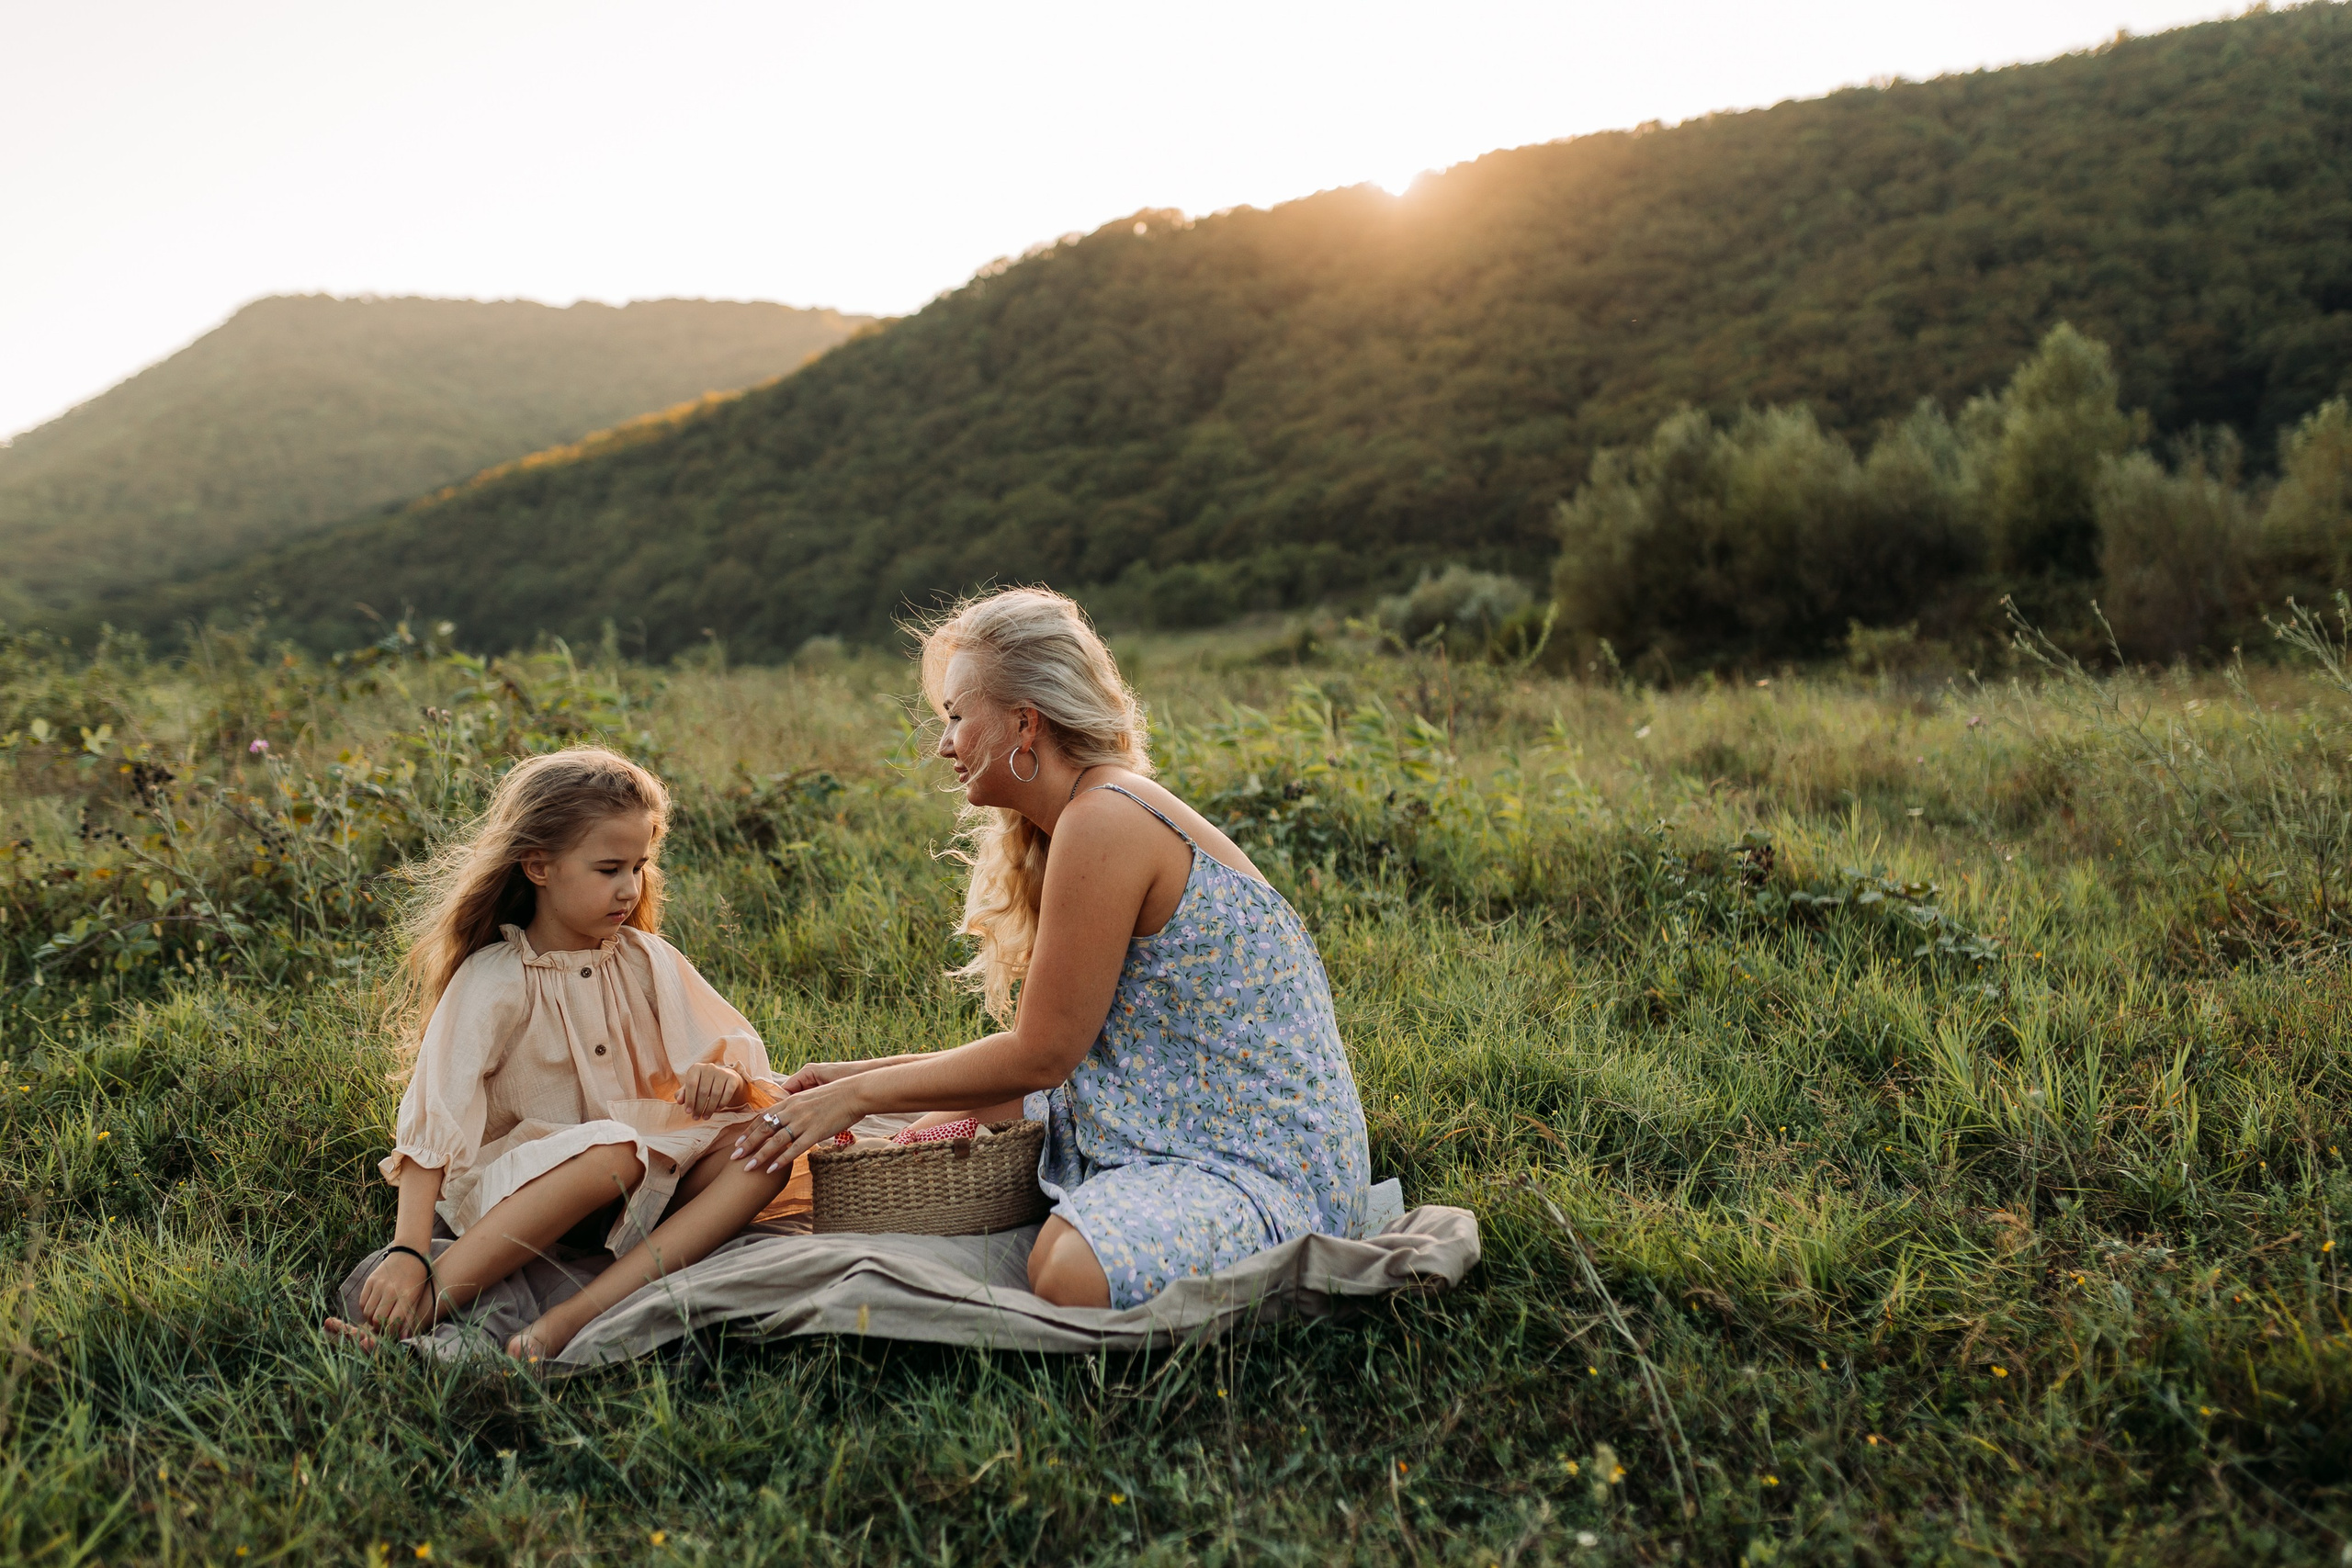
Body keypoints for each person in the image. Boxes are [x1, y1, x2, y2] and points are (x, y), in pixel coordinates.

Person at [735, 587, 1370, 1308]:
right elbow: (1045, 1046)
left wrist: (858, 1095)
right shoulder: (1087, 810)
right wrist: (842, 1075)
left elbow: (1043, 1054)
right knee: (949, 1130)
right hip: (1164, 1114)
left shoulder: (1105, 817)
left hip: (1256, 1162)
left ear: (1024, 722)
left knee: (1065, 1271)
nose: (944, 743)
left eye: (955, 717)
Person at [325, 747, 794, 1360]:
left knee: (767, 1146)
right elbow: (431, 1123)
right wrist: (410, 1250)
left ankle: (571, 1317)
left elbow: (740, 1068)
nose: (629, 888)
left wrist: (723, 1081)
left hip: (639, 1187)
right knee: (613, 1154)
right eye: (608, 869)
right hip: (526, 1190)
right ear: (539, 867)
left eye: (639, 867)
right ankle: (415, 1314)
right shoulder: (494, 978)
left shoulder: (646, 959)